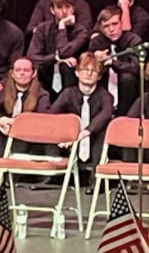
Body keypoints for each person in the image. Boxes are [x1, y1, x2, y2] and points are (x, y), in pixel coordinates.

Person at [50, 52, 114, 194]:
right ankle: (52, 178)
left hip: (93, 140)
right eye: (85, 70)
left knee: (103, 133)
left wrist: (86, 131)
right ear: (77, 73)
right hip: (70, 141)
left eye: (94, 71)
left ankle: (97, 182)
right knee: (51, 130)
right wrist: (65, 133)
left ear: (99, 76)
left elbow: (106, 114)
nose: (89, 74)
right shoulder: (68, 93)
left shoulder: (106, 96)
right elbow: (52, 114)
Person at [0, 56, 54, 160]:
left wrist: (12, 122)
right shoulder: (4, 91)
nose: (21, 73)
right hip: (5, 133)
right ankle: (2, 167)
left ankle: (13, 171)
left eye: (26, 70)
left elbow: (40, 119)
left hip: (29, 137)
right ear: (12, 74)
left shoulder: (42, 95)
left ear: (33, 73)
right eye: (18, 70)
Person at [27, 0, 91, 98]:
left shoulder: (81, 31)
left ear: (73, 9)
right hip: (46, 74)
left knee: (65, 67)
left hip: (70, 79)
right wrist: (56, 58)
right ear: (52, 10)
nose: (64, 11)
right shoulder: (42, 29)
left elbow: (64, 52)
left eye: (68, 7)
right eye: (60, 7)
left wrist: (62, 28)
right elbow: (32, 58)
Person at [89, 5, 142, 117]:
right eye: (106, 26)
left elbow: (136, 67)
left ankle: (125, 116)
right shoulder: (96, 43)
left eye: (114, 24)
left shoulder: (133, 40)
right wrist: (95, 60)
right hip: (104, 89)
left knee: (128, 77)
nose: (111, 29)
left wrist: (112, 63)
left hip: (127, 92)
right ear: (101, 28)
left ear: (122, 23)